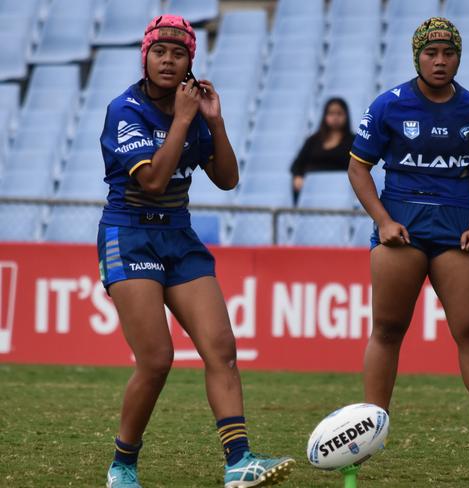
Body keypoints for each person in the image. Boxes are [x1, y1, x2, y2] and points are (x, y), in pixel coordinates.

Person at [97, 15, 294, 488]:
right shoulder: (124, 109)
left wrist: (214, 121)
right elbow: (152, 180)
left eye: (178, 53)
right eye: (159, 52)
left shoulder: (196, 110)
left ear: (191, 61)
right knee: (157, 359)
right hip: (129, 234)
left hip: (179, 237)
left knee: (222, 349)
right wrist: (184, 120)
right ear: (144, 57)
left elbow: (228, 179)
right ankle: (123, 464)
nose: (168, 60)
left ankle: (239, 462)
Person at [347, 17, 469, 454]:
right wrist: (382, 220)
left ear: (458, 57)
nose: (439, 61)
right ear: (417, 56)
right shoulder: (388, 105)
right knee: (388, 330)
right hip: (403, 232)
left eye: (448, 53)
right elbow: (358, 168)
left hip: (456, 233)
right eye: (431, 53)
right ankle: (372, 431)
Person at [290, 97, 354, 201]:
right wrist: (298, 176)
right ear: (325, 116)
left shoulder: (354, 141)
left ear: (346, 116)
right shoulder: (313, 140)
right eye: (331, 113)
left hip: (339, 191)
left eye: (339, 113)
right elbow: (297, 164)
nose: (335, 117)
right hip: (311, 191)